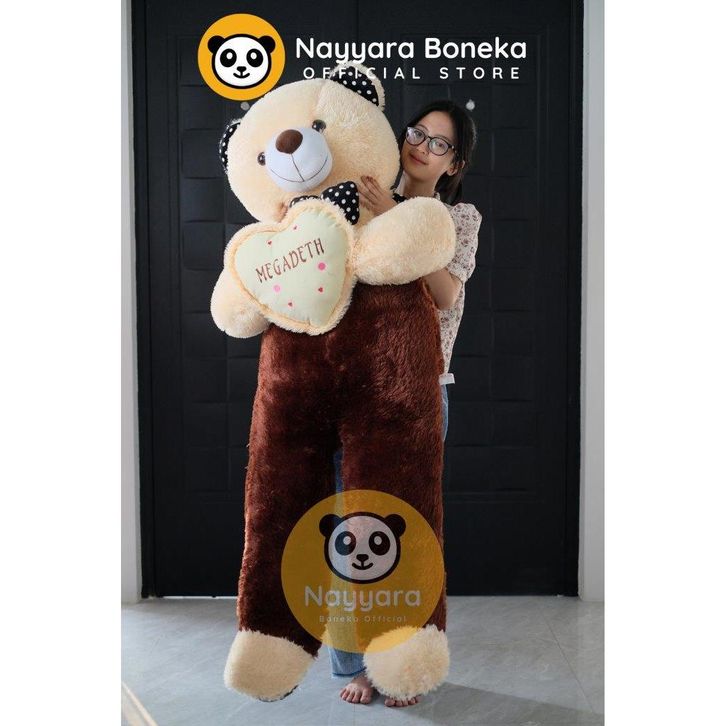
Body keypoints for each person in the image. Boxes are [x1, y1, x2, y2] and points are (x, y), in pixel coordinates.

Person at [328, 99, 483, 707]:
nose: (421, 146)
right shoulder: (363, 198)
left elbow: (446, 295)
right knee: (350, 532)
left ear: (455, 163)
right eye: (417, 133)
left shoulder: (458, 217)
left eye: (438, 143)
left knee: (406, 533)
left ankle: (402, 664)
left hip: (420, 392)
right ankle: (359, 665)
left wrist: (399, 218)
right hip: (353, 390)